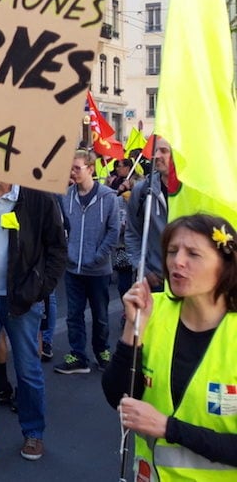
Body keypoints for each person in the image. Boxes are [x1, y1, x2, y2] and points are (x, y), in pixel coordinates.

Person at [102, 214, 237, 480]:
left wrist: (168, 428)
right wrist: (133, 328)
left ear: (225, 265)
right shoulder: (152, 308)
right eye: (172, 251)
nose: (178, 262)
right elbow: (118, 396)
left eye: (193, 254)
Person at [0, 178, 67, 465]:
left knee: (28, 369)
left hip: (21, 300)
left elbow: (57, 247)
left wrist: (39, 289)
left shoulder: (37, 198)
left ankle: (33, 432)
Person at [55, 150, 119, 375]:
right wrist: (68, 252)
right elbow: (62, 227)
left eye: (77, 168)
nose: (73, 172)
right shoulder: (66, 196)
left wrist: (98, 256)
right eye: (71, 168)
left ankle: (102, 351)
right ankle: (78, 355)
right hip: (73, 267)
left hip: (98, 269)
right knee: (74, 314)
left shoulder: (108, 197)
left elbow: (114, 231)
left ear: (91, 169)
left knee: (100, 314)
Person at [125, 136, 173, 290]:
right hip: (155, 280)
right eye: (155, 150)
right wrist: (143, 270)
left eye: (163, 151)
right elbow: (132, 233)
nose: (157, 155)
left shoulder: (194, 192)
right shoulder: (142, 190)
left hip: (189, 281)